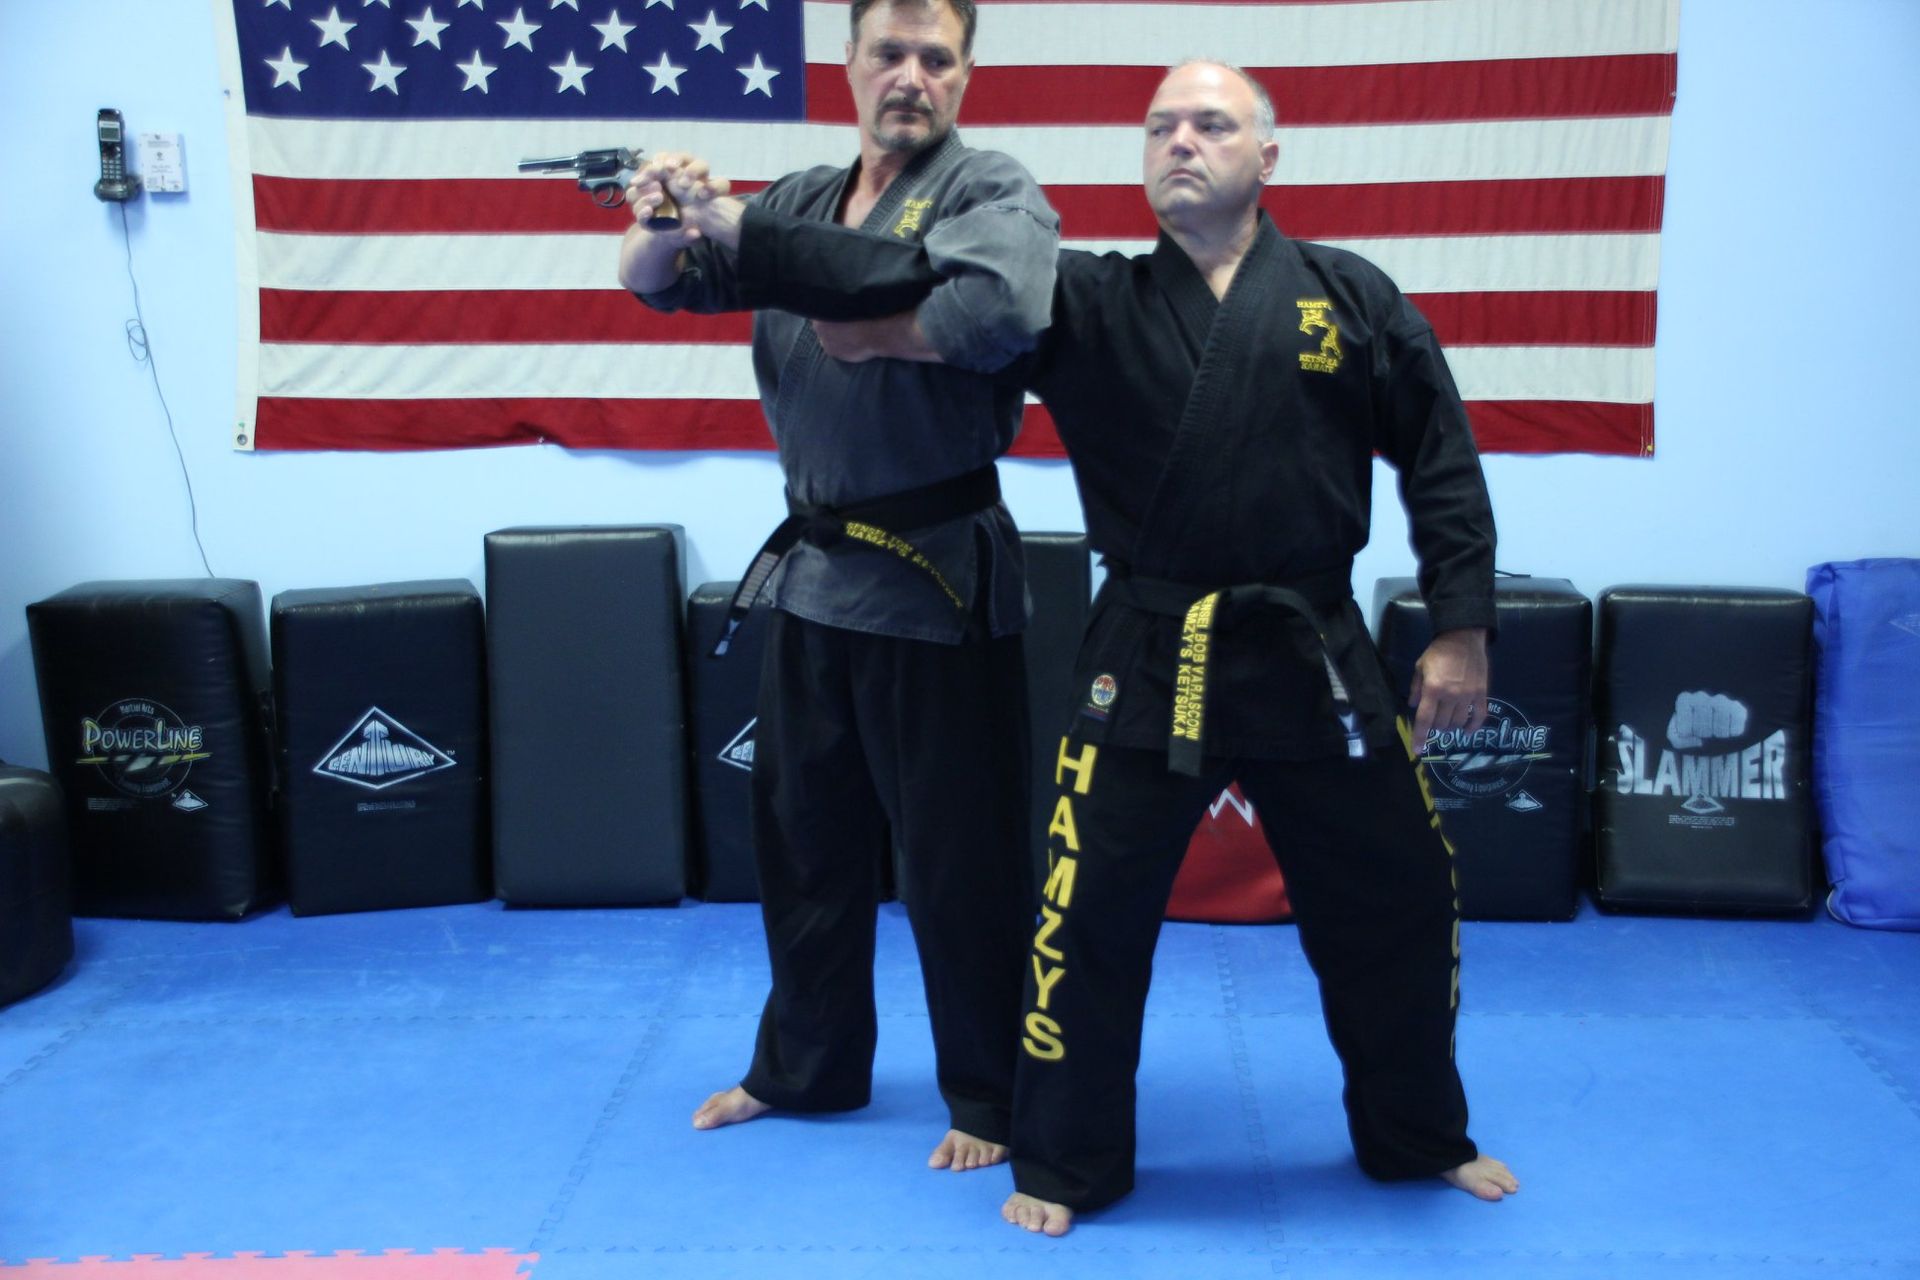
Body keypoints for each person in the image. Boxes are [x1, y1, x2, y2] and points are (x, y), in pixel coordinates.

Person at [677, 58, 1520, 1232]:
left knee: (1402, 899)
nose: (1182, 141)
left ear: (1265, 157)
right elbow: (932, 291)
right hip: (1149, 643)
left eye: (1212, 124)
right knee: (1084, 917)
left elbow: (1442, 457)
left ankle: (1421, 1133)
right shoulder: (1085, 298)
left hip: (1311, 648)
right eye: (1162, 124)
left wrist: (1460, 630)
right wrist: (774, 251)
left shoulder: (1349, 296)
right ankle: (1069, 1160)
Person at [615, 0, 1060, 1173]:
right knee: (804, 842)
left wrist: (854, 310)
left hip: (937, 576)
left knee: (960, 858)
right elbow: (659, 282)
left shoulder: (993, 192)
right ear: (849, 67)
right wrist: (664, 215)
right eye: (889, 55)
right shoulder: (802, 199)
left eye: (936, 57)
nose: (910, 76)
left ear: (964, 75)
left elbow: (1001, 311)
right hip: (815, 576)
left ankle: (991, 1091)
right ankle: (806, 1067)